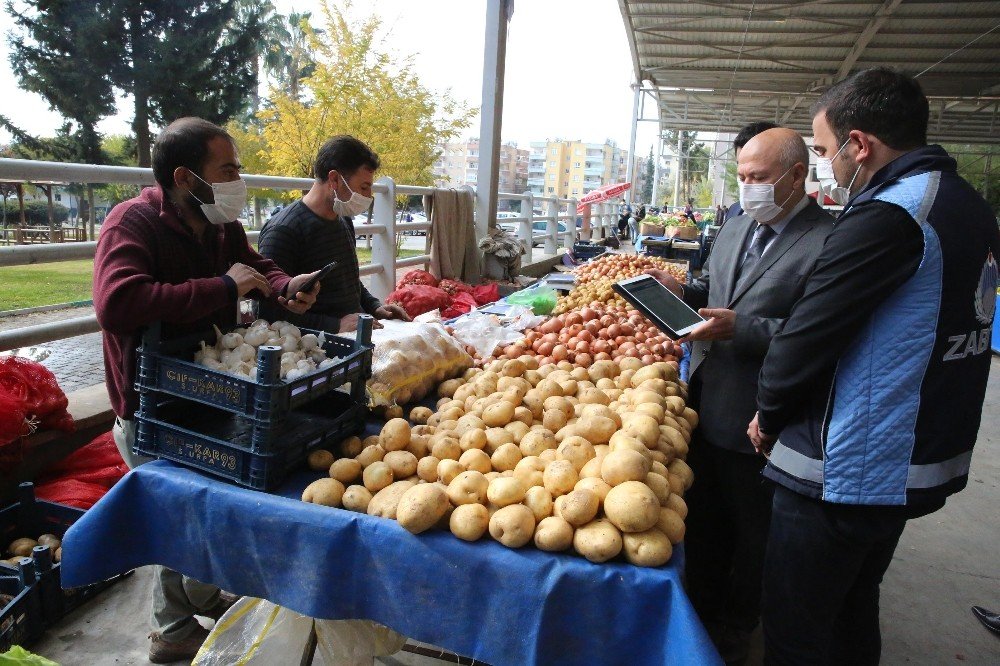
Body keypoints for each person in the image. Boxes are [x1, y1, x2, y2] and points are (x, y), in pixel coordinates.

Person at [747, 67, 1000, 665]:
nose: (827, 166)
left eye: (827, 150)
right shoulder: (967, 206)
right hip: (917, 457)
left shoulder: (892, 212)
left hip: (852, 467)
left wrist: (769, 412)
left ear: (861, 145)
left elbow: (810, 332)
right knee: (852, 611)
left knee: (796, 630)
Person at [92, 117, 322, 664]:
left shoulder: (218, 227)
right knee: (179, 511)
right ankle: (171, 632)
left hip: (209, 386)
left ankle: (199, 593)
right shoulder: (134, 223)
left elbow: (254, 267)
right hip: (151, 399)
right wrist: (221, 287)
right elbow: (117, 303)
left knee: (206, 502)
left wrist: (286, 286)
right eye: (229, 169)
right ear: (184, 177)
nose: (239, 179)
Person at [646, 127, 834, 663]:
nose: (748, 187)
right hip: (704, 402)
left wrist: (743, 327)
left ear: (798, 175)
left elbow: (819, 334)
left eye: (760, 177)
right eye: (743, 177)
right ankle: (697, 620)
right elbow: (721, 295)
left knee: (753, 538)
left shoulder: (829, 240)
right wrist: (683, 294)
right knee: (702, 525)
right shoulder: (735, 226)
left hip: (763, 416)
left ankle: (735, 630)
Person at [257, 135, 409, 333]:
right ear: (334, 179)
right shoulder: (284, 231)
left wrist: (375, 307)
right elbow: (269, 315)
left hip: (355, 337)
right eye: (363, 187)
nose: (368, 196)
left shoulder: (343, 219)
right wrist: (335, 326)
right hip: (317, 348)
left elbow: (350, 282)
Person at [726, 121, 780, 220]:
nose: (746, 185)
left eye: (758, 176)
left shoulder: (816, 232)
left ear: (796, 175)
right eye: (741, 176)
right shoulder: (734, 211)